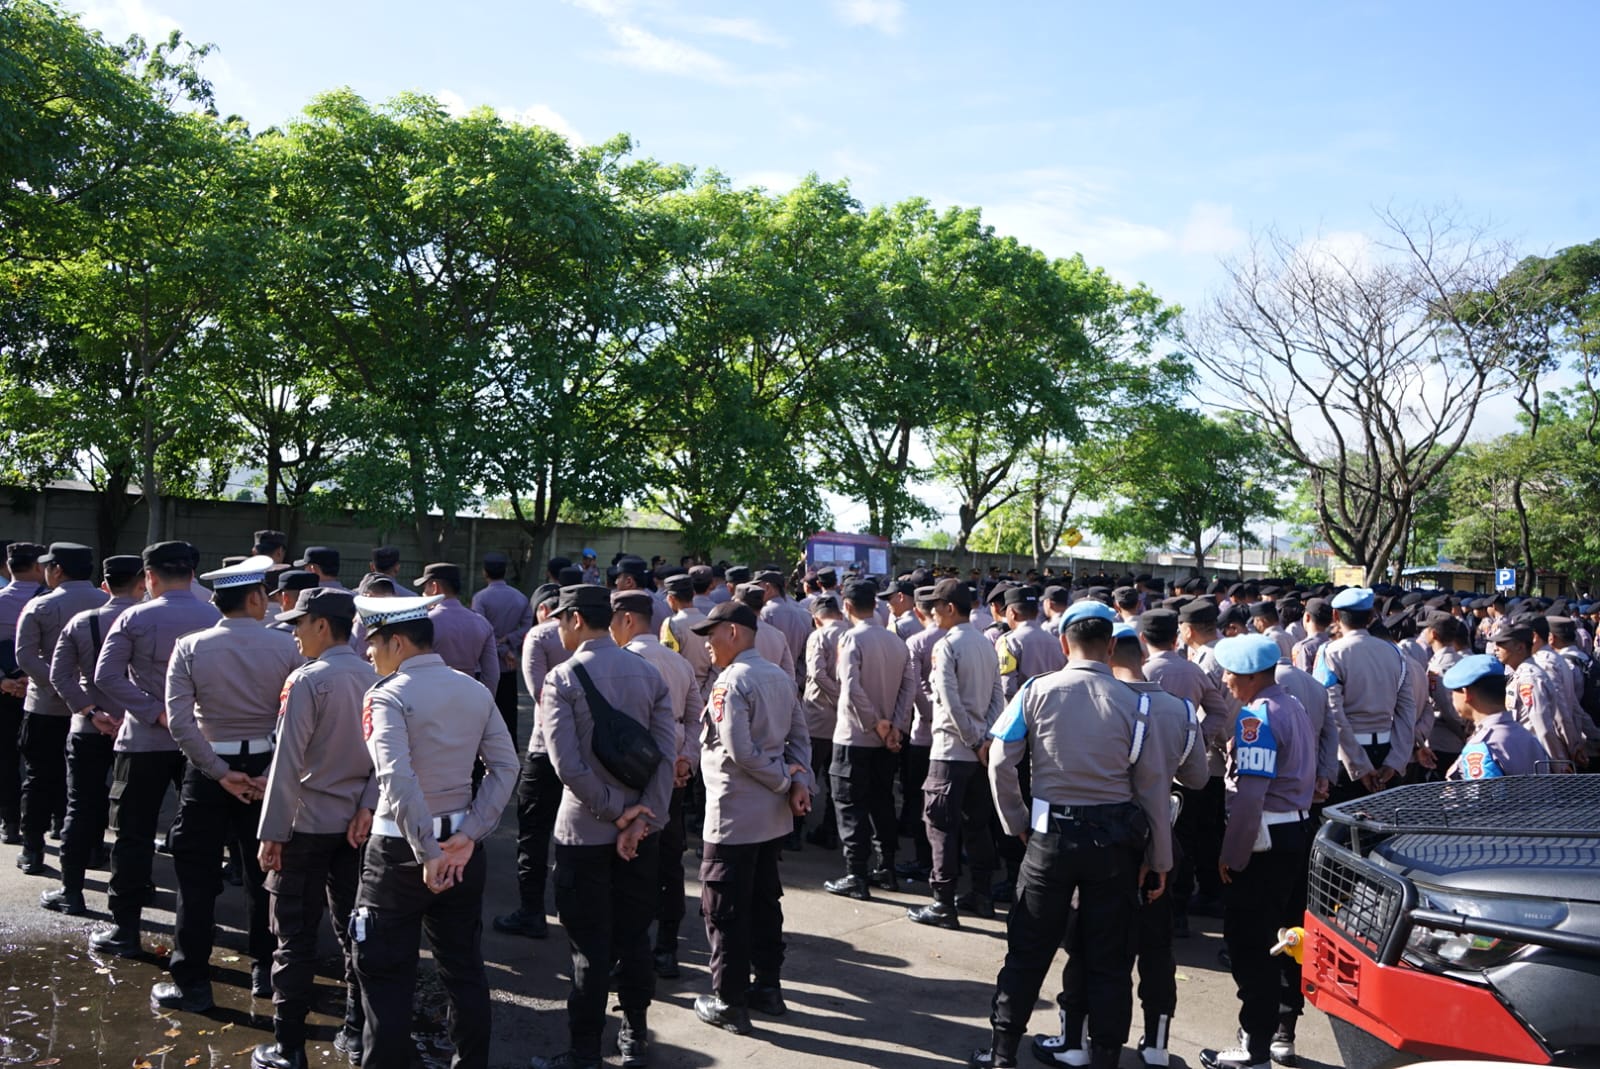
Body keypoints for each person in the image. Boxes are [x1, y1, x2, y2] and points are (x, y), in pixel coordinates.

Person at [970, 600, 1171, 1069]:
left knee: (1027, 951)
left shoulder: (1036, 690)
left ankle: (1002, 1054)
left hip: (1050, 839)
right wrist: (1159, 858)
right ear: (1111, 647)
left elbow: (999, 760)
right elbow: (1153, 788)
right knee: (1109, 960)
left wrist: (1017, 822)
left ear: (1064, 643)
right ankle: (1105, 1058)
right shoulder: (1137, 703)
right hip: (1114, 847)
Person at [351, 592, 518, 1069]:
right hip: (461, 848)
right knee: (464, 970)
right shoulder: (474, 689)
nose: (368, 652)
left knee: (385, 973)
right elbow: (505, 767)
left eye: (374, 642)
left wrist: (427, 851)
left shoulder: (387, 695)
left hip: (399, 851)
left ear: (398, 643)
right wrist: (471, 834)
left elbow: (395, 778)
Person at [1041, 621, 1208, 1068]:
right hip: (1161, 839)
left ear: (1108, 651)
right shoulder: (1178, 709)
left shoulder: (1099, 703)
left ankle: (1074, 1041)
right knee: (1157, 949)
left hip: (1106, 839)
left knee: (1088, 945)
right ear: (1143, 655)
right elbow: (1196, 777)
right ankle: (1156, 1045)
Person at [532, 585, 675, 1069]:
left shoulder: (561, 677)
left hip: (584, 830)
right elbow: (666, 755)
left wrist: (615, 812)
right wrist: (642, 815)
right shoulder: (649, 673)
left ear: (575, 619)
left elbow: (567, 766)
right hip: (642, 832)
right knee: (635, 936)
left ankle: (585, 1051)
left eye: (559, 620)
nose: (557, 629)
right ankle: (635, 1035)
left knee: (587, 948)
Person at [155, 555, 304, 1013]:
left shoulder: (190, 647)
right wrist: (271, 769)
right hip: (266, 767)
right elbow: (297, 717)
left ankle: (192, 982)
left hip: (208, 768)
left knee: (196, 877)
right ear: (257, 598)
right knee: (266, 872)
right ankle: (265, 970)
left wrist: (218, 772)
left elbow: (180, 723)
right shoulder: (287, 647)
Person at [251, 588, 377, 1069]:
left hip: (303, 825)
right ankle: (355, 1031)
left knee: (294, 937)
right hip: (355, 827)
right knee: (354, 931)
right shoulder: (376, 678)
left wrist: (272, 832)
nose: (295, 635)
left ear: (322, 625)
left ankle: (289, 1046)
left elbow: (287, 762)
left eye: (299, 624)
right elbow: (386, 760)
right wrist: (368, 805)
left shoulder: (307, 680)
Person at [89, 541, 223, 957]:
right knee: (200, 840)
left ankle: (125, 929)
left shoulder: (135, 616)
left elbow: (106, 676)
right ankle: (199, 929)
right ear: (192, 573)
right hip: (200, 742)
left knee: (133, 835)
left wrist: (154, 711)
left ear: (149, 577)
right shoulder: (215, 616)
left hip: (143, 740)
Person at [688, 599, 814, 1036]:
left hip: (735, 817)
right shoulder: (778, 676)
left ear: (734, 633)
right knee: (763, 903)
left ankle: (729, 1001)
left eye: (711, 635)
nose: (707, 644)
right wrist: (798, 781)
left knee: (724, 910)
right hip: (770, 819)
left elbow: (740, 750)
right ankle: (768, 988)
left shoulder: (731, 682)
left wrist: (785, 782)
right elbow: (800, 738)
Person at [1198, 635, 1315, 1069]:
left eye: (1230, 673)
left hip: (1263, 839)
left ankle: (1254, 1047)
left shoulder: (1257, 718)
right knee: (1280, 941)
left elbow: (1250, 796)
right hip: (1293, 832)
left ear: (1250, 676)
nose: (1225, 681)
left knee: (1250, 945)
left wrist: (1232, 854)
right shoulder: (1292, 705)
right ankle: (1271, 1035)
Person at [40, 555, 144, 915]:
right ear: (143, 583)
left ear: (104, 585)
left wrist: (90, 711)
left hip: (88, 726)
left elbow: (59, 675)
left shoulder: (82, 622)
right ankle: (136, 889)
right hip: (141, 731)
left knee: (80, 807)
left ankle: (71, 890)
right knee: (136, 814)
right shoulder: (150, 621)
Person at [611, 589, 703, 980]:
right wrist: (687, 759)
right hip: (675, 775)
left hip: (634, 777)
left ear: (627, 620)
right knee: (669, 862)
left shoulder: (622, 663)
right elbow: (697, 718)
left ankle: (627, 953)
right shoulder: (678, 663)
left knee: (628, 862)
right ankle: (666, 948)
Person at [908, 578, 1003, 929]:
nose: (932, 614)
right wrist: (985, 737)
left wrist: (975, 739)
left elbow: (948, 700)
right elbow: (997, 696)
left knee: (941, 828)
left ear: (949, 608)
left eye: (936, 608)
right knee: (977, 826)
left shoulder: (947, 645)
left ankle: (943, 902)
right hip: (979, 753)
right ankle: (982, 894)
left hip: (951, 752)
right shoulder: (985, 644)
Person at [13, 543, 106, 874]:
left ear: (57, 570)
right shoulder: (107, 602)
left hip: (46, 706)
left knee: (39, 778)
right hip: (97, 711)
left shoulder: (40, 605)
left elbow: (25, 656)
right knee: (92, 784)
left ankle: (33, 849)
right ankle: (93, 848)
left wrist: (57, 685)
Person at [824, 578, 917, 900]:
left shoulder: (851, 638)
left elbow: (851, 687)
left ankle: (856, 873)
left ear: (847, 606)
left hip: (855, 738)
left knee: (850, 805)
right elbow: (909, 687)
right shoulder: (896, 641)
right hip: (886, 740)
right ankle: (886, 867)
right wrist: (896, 726)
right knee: (882, 802)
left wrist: (876, 723)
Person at [1316, 588, 1416, 803]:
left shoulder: (1330, 653)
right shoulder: (1395, 653)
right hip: (1386, 751)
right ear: (1371, 617)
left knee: (1340, 822)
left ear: (1335, 615)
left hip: (1345, 756)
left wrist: (1359, 765)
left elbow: (1332, 713)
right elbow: (1407, 710)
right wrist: (1396, 760)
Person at [0, 541, 48, 845]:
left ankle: (10, 821)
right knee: (43, 761)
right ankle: (52, 821)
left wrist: (3, 681)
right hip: (44, 691)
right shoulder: (50, 601)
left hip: (4, 691)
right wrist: (33, 679)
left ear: (9, 566)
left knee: (5, 758)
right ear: (39, 567)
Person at [1487, 618, 1582, 768]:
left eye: (1502, 644)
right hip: (1524, 753)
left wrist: (1558, 764)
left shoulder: (1529, 678)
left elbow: (1543, 727)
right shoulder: (1521, 673)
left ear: (1520, 647)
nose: (1496, 649)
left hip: (1535, 758)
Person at [1441, 654, 1547, 779]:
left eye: (1453, 692)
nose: (1452, 698)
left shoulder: (1482, 746)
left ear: (1466, 693)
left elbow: (1483, 792)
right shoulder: (1526, 735)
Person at [800, 594, 846, 850]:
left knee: (806, 773)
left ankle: (795, 830)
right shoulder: (851, 634)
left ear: (816, 619)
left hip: (818, 716)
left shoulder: (818, 636)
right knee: (835, 780)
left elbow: (817, 673)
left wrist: (840, 696)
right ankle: (830, 830)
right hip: (844, 720)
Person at [473, 552, 533, 736]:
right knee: (508, 715)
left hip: (485, 665)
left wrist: (500, 648)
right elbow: (527, 627)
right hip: (509, 664)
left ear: (485, 572)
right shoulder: (520, 598)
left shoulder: (480, 598)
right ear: (505, 571)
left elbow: (480, 630)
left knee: (484, 716)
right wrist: (508, 643)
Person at [996, 585, 1066, 701]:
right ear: (1037, 612)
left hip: (1024, 708)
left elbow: (1007, 689)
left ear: (1012, 613)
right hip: (1054, 706)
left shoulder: (1009, 642)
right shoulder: (1056, 642)